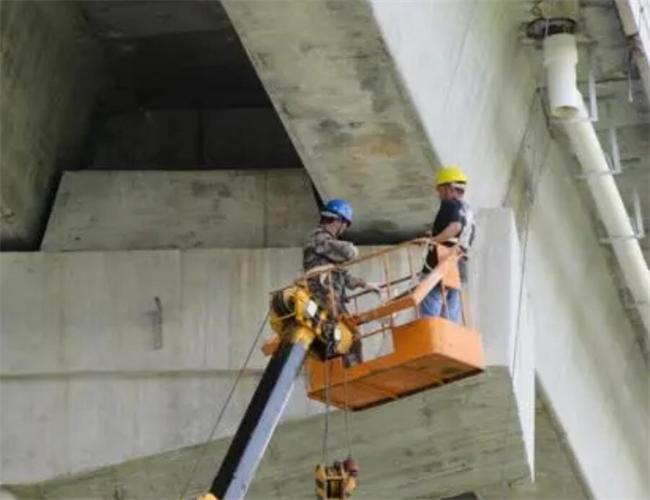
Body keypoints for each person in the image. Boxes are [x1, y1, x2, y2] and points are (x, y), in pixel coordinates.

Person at [303, 198, 380, 363]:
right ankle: (348, 374)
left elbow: (343, 276)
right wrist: (352, 248)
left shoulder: (326, 245)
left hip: (331, 295)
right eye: (345, 224)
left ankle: (351, 372)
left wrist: (365, 284)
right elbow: (349, 253)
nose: (343, 229)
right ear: (338, 220)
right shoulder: (319, 237)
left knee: (350, 335)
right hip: (324, 295)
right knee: (345, 334)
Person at [420, 166, 474, 323]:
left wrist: (433, 240)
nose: (439, 195)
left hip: (441, 261)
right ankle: (449, 339)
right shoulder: (468, 211)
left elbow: (455, 227)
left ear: (448, 188)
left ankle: (430, 333)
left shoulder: (450, 204)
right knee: (452, 306)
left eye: (440, 190)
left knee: (431, 299)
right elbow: (464, 234)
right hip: (459, 264)